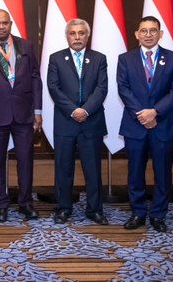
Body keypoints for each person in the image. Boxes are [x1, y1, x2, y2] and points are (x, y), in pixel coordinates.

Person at [117, 16, 173, 233]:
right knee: (135, 172)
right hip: (135, 124)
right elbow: (123, 88)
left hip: (163, 124)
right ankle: (137, 213)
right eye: (144, 30)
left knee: (162, 172)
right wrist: (142, 114)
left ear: (160, 34)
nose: (148, 34)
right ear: (137, 34)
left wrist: (154, 112)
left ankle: (158, 214)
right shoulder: (125, 59)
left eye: (153, 30)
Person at [0, 9, 43, 222]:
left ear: (11, 24)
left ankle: (25, 203)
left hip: (24, 113)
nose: (1, 27)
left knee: (25, 161)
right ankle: (0, 204)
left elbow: (35, 78)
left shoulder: (26, 46)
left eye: (4, 23)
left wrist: (37, 111)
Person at [47, 18, 108, 225]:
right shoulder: (56, 59)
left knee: (93, 169)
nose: (77, 37)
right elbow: (54, 88)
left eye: (81, 33)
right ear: (67, 36)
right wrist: (73, 110)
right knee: (63, 168)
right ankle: (63, 208)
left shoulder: (99, 59)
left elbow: (102, 89)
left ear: (87, 36)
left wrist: (86, 110)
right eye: (73, 33)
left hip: (91, 121)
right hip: (66, 121)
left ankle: (95, 210)